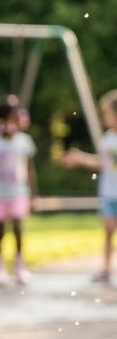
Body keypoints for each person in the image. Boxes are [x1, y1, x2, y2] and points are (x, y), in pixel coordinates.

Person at [0, 96, 37, 286]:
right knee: (0, 230)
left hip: (18, 191)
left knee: (18, 228)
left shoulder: (24, 141)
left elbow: (29, 170)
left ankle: (20, 266)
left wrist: (34, 194)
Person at [61, 89, 117, 284]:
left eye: (107, 113)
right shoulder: (107, 139)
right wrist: (79, 158)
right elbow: (101, 163)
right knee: (109, 231)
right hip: (109, 194)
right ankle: (105, 268)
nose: (105, 118)